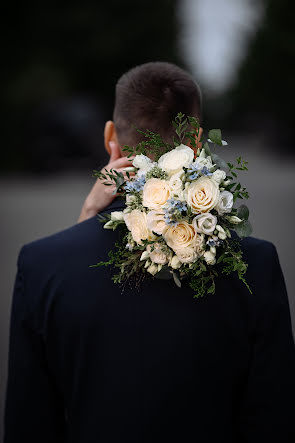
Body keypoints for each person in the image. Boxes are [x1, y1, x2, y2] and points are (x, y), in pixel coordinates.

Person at [4, 62, 295, 443]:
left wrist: (83, 226)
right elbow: (274, 422)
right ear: (195, 142)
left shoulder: (42, 265)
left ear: (111, 136)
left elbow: (29, 425)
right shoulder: (255, 265)